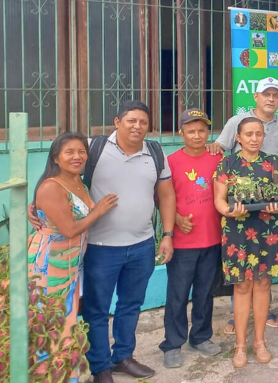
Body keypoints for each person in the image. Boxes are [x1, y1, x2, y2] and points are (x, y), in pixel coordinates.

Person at [65, 101, 175, 383]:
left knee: (131, 305)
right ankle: (101, 365)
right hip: (101, 248)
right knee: (97, 308)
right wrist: (37, 204)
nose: (137, 126)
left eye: (143, 121)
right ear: (117, 122)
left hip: (142, 245)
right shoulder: (93, 148)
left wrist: (168, 235)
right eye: (131, 121)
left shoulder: (155, 151)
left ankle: (123, 357)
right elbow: (61, 175)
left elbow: (166, 196)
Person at [29, 133, 119, 383]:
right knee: (52, 319)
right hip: (51, 262)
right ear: (56, 157)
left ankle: (66, 372)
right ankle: (50, 376)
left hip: (72, 261)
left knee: (67, 316)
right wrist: (98, 210)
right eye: (69, 152)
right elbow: (68, 229)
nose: (77, 157)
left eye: (81, 151)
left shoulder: (78, 181)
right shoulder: (50, 185)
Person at [209, 77, 278, 330]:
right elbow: (218, 150)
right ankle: (238, 318)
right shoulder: (233, 136)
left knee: (263, 279)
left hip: (268, 221)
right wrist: (227, 209)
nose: (270, 98)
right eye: (265, 94)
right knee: (241, 280)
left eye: (275, 95)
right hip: (237, 222)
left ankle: (262, 320)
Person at [213, 117, 278, 368]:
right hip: (237, 231)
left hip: (268, 230)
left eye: (258, 134)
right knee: (242, 286)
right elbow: (220, 200)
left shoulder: (273, 162)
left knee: (264, 283)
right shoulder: (228, 163)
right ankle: (240, 345)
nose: (254, 138)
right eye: (249, 134)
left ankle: (259, 341)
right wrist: (227, 211)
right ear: (239, 137)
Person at [160, 109, 223, 368]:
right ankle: (172, 343)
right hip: (184, 242)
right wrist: (175, 219)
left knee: (205, 293)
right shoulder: (170, 161)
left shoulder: (218, 158)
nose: (197, 135)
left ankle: (200, 336)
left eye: (202, 130)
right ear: (181, 133)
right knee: (177, 294)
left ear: (208, 132)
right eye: (191, 131)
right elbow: (161, 197)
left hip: (213, 239)